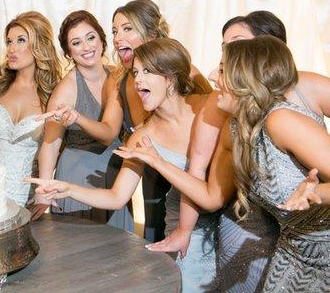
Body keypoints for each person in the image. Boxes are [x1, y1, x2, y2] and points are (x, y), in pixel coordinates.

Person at [115, 36, 330, 292]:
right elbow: (210, 197)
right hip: (294, 248)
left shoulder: (282, 121)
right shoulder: (235, 130)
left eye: (221, 69)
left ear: (243, 77)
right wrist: (158, 161)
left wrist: (319, 192)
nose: (211, 76)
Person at [29, 38, 218, 291]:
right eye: (136, 72)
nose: (138, 80)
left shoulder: (209, 107)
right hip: (184, 234)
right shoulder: (141, 137)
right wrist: (68, 188)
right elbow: (117, 197)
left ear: (170, 78)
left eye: (147, 71)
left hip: (225, 224)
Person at [36, 10, 133, 231]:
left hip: (115, 173)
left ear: (102, 39)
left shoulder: (119, 75)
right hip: (78, 173)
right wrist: (44, 191)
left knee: (117, 252)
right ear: (69, 52)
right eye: (76, 43)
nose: (87, 47)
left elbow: (117, 129)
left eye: (91, 37)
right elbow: (50, 145)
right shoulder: (67, 88)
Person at [0, 11, 62, 207]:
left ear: (39, 45)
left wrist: (44, 194)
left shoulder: (53, 93)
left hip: (25, 198)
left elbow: (54, 148)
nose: (12, 48)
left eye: (21, 40)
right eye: (9, 41)